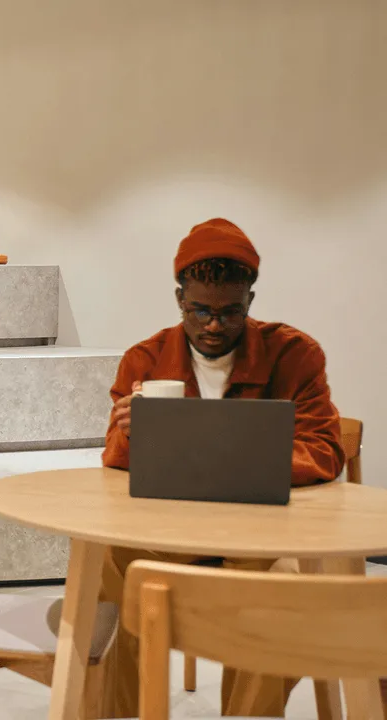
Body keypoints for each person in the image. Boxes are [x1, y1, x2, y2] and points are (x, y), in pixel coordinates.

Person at [99, 218, 345, 717]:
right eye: (200, 311)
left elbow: (325, 450)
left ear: (250, 302)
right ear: (178, 300)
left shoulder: (295, 356)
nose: (214, 325)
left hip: (265, 534)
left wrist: (212, 448)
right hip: (170, 533)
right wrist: (129, 434)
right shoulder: (144, 360)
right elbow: (114, 464)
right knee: (109, 571)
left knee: (290, 596)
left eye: (230, 312)